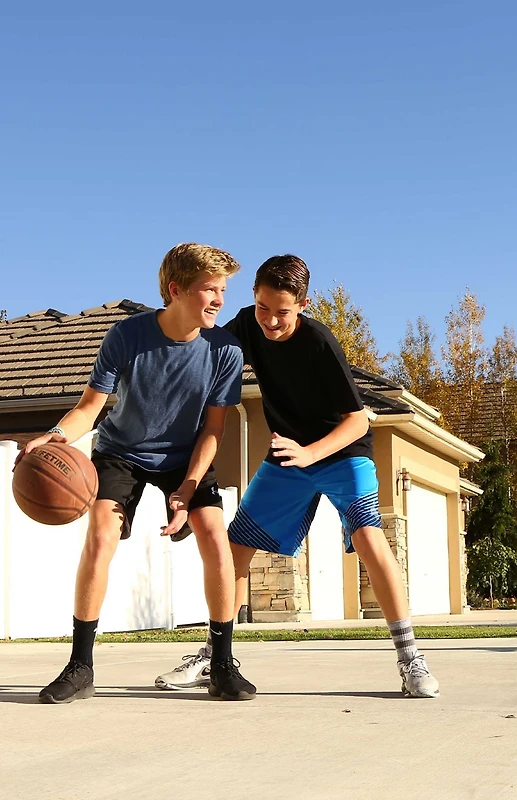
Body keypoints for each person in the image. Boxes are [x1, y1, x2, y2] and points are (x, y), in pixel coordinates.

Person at [155, 254, 439, 698]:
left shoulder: (319, 342)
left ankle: (411, 659)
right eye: (263, 307)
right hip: (289, 455)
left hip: (340, 452)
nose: (270, 320)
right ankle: (216, 655)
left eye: (282, 312)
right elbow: (205, 352)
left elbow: (358, 420)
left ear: (303, 304)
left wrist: (310, 454)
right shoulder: (248, 324)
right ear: (254, 297)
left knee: (368, 537)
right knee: (234, 551)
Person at [25, 243, 256, 703]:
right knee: (101, 536)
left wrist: (189, 489)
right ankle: (80, 666)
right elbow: (89, 409)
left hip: (185, 457)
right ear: (176, 290)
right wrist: (54, 435)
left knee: (214, 533)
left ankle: (222, 663)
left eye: (223, 290)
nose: (219, 300)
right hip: (121, 452)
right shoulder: (126, 336)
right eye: (209, 289)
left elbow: (213, 430)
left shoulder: (225, 350)